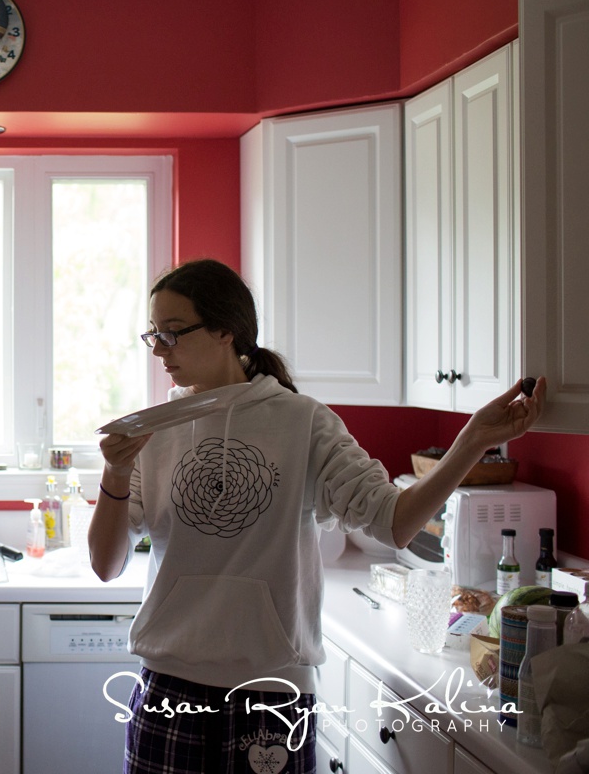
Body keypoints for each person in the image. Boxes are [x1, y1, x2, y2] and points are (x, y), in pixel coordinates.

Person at [88, 259, 545, 774]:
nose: (159, 351)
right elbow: (107, 564)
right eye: (153, 335)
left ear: (225, 331)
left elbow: (395, 522)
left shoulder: (303, 422)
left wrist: (473, 441)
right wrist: (115, 472)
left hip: (271, 694)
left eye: (172, 334)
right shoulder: (153, 431)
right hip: (168, 686)